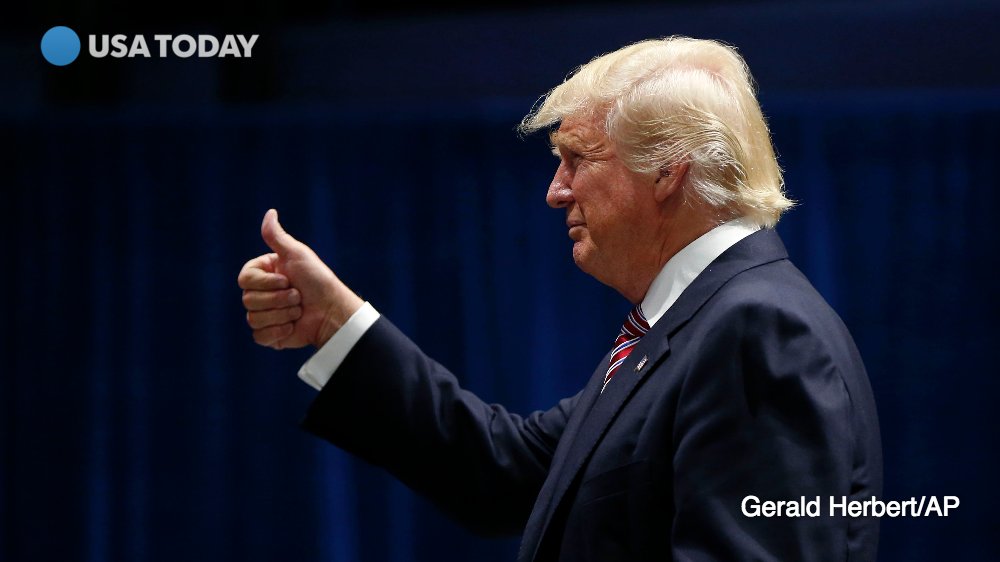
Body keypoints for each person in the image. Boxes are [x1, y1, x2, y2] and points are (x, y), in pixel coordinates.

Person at [238, 37, 882, 561]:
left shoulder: (756, 329)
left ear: (668, 170)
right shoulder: (691, 324)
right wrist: (336, 322)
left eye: (578, 158)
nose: (556, 191)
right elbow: (505, 471)